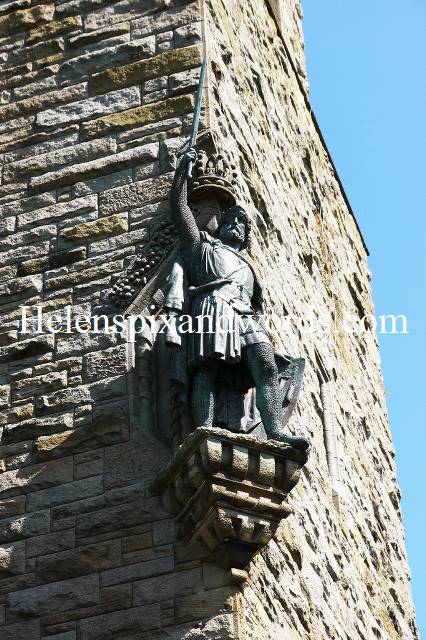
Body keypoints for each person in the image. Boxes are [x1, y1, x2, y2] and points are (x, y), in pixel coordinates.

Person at [168, 148, 309, 450]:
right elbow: (180, 211)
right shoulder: (203, 248)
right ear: (219, 227)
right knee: (207, 367)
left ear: (246, 236)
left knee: (267, 365)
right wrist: (181, 175)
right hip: (213, 306)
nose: (235, 224)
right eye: (230, 219)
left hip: (245, 314)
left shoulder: (250, 267)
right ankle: (204, 430)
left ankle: (275, 431)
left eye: (241, 223)